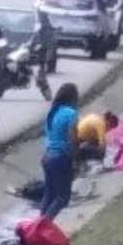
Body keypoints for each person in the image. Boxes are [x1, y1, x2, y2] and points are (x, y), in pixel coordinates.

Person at [39, 82, 80, 218]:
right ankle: (44, 226)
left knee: (49, 195)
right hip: (60, 158)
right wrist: (75, 160)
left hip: (47, 156)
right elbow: (73, 139)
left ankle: (37, 228)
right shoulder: (71, 113)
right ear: (72, 98)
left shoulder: (52, 112)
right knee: (62, 198)